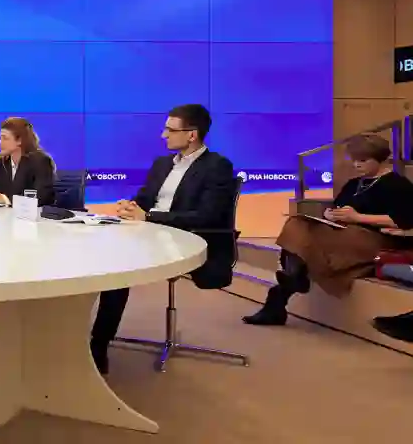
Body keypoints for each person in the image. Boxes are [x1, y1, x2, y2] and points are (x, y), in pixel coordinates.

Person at [90, 104, 237, 374]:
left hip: (189, 239)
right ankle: (82, 336)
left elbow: (207, 216)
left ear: (192, 135)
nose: (163, 135)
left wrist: (150, 216)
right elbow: (145, 198)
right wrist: (131, 206)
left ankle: (98, 344)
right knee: (102, 252)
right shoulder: (162, 164)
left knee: (118, 268)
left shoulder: (217, 167)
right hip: (149, 233)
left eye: (170, 130)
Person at [243, 133, 413, 326]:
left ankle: (283, 290)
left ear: (380, 159)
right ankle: (291, 280)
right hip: (344, 232)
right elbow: (336, 207)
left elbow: (404, 220)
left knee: (312, 242)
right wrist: (330, 214)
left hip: (377, 238)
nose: (356, 165)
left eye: (363, 160)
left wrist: (358, 217)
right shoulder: (353, 183)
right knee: (297, 223)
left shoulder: (397, 184)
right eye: (354, 160)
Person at [0, 117, 56, 206]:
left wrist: (5, 199)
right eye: (0, 138)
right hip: (4, 213)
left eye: (5, 138)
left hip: (32, 214)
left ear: (19, 140)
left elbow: (42, 197)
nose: (0, 143)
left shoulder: (41, 161)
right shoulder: (0, 162)